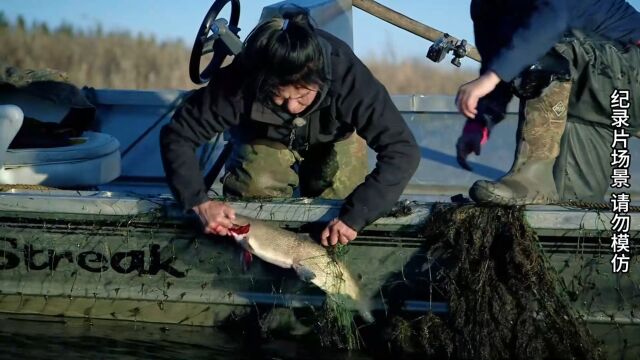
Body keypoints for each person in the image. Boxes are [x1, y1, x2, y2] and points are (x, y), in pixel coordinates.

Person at [160, 11, 420, 246]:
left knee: (342, 201)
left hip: (333, 137)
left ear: (320, 80)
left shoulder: (348, 76)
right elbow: (178, 134)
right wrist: (198, 201)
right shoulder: (240, 80)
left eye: (303, 95)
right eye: (280, 97)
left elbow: (402, 151)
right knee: (254, 192)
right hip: (264, 137)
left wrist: (357, 216)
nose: (293, 107)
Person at [455, 0, 640, 205]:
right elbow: (497, 63)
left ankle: (531, 177)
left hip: (631, 71)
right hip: (591, 95)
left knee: (543, 47)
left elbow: (552, 19)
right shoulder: (485, 7)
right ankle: (542, 190)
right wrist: (479, 123)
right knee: (570, 209)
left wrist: (492, 76)